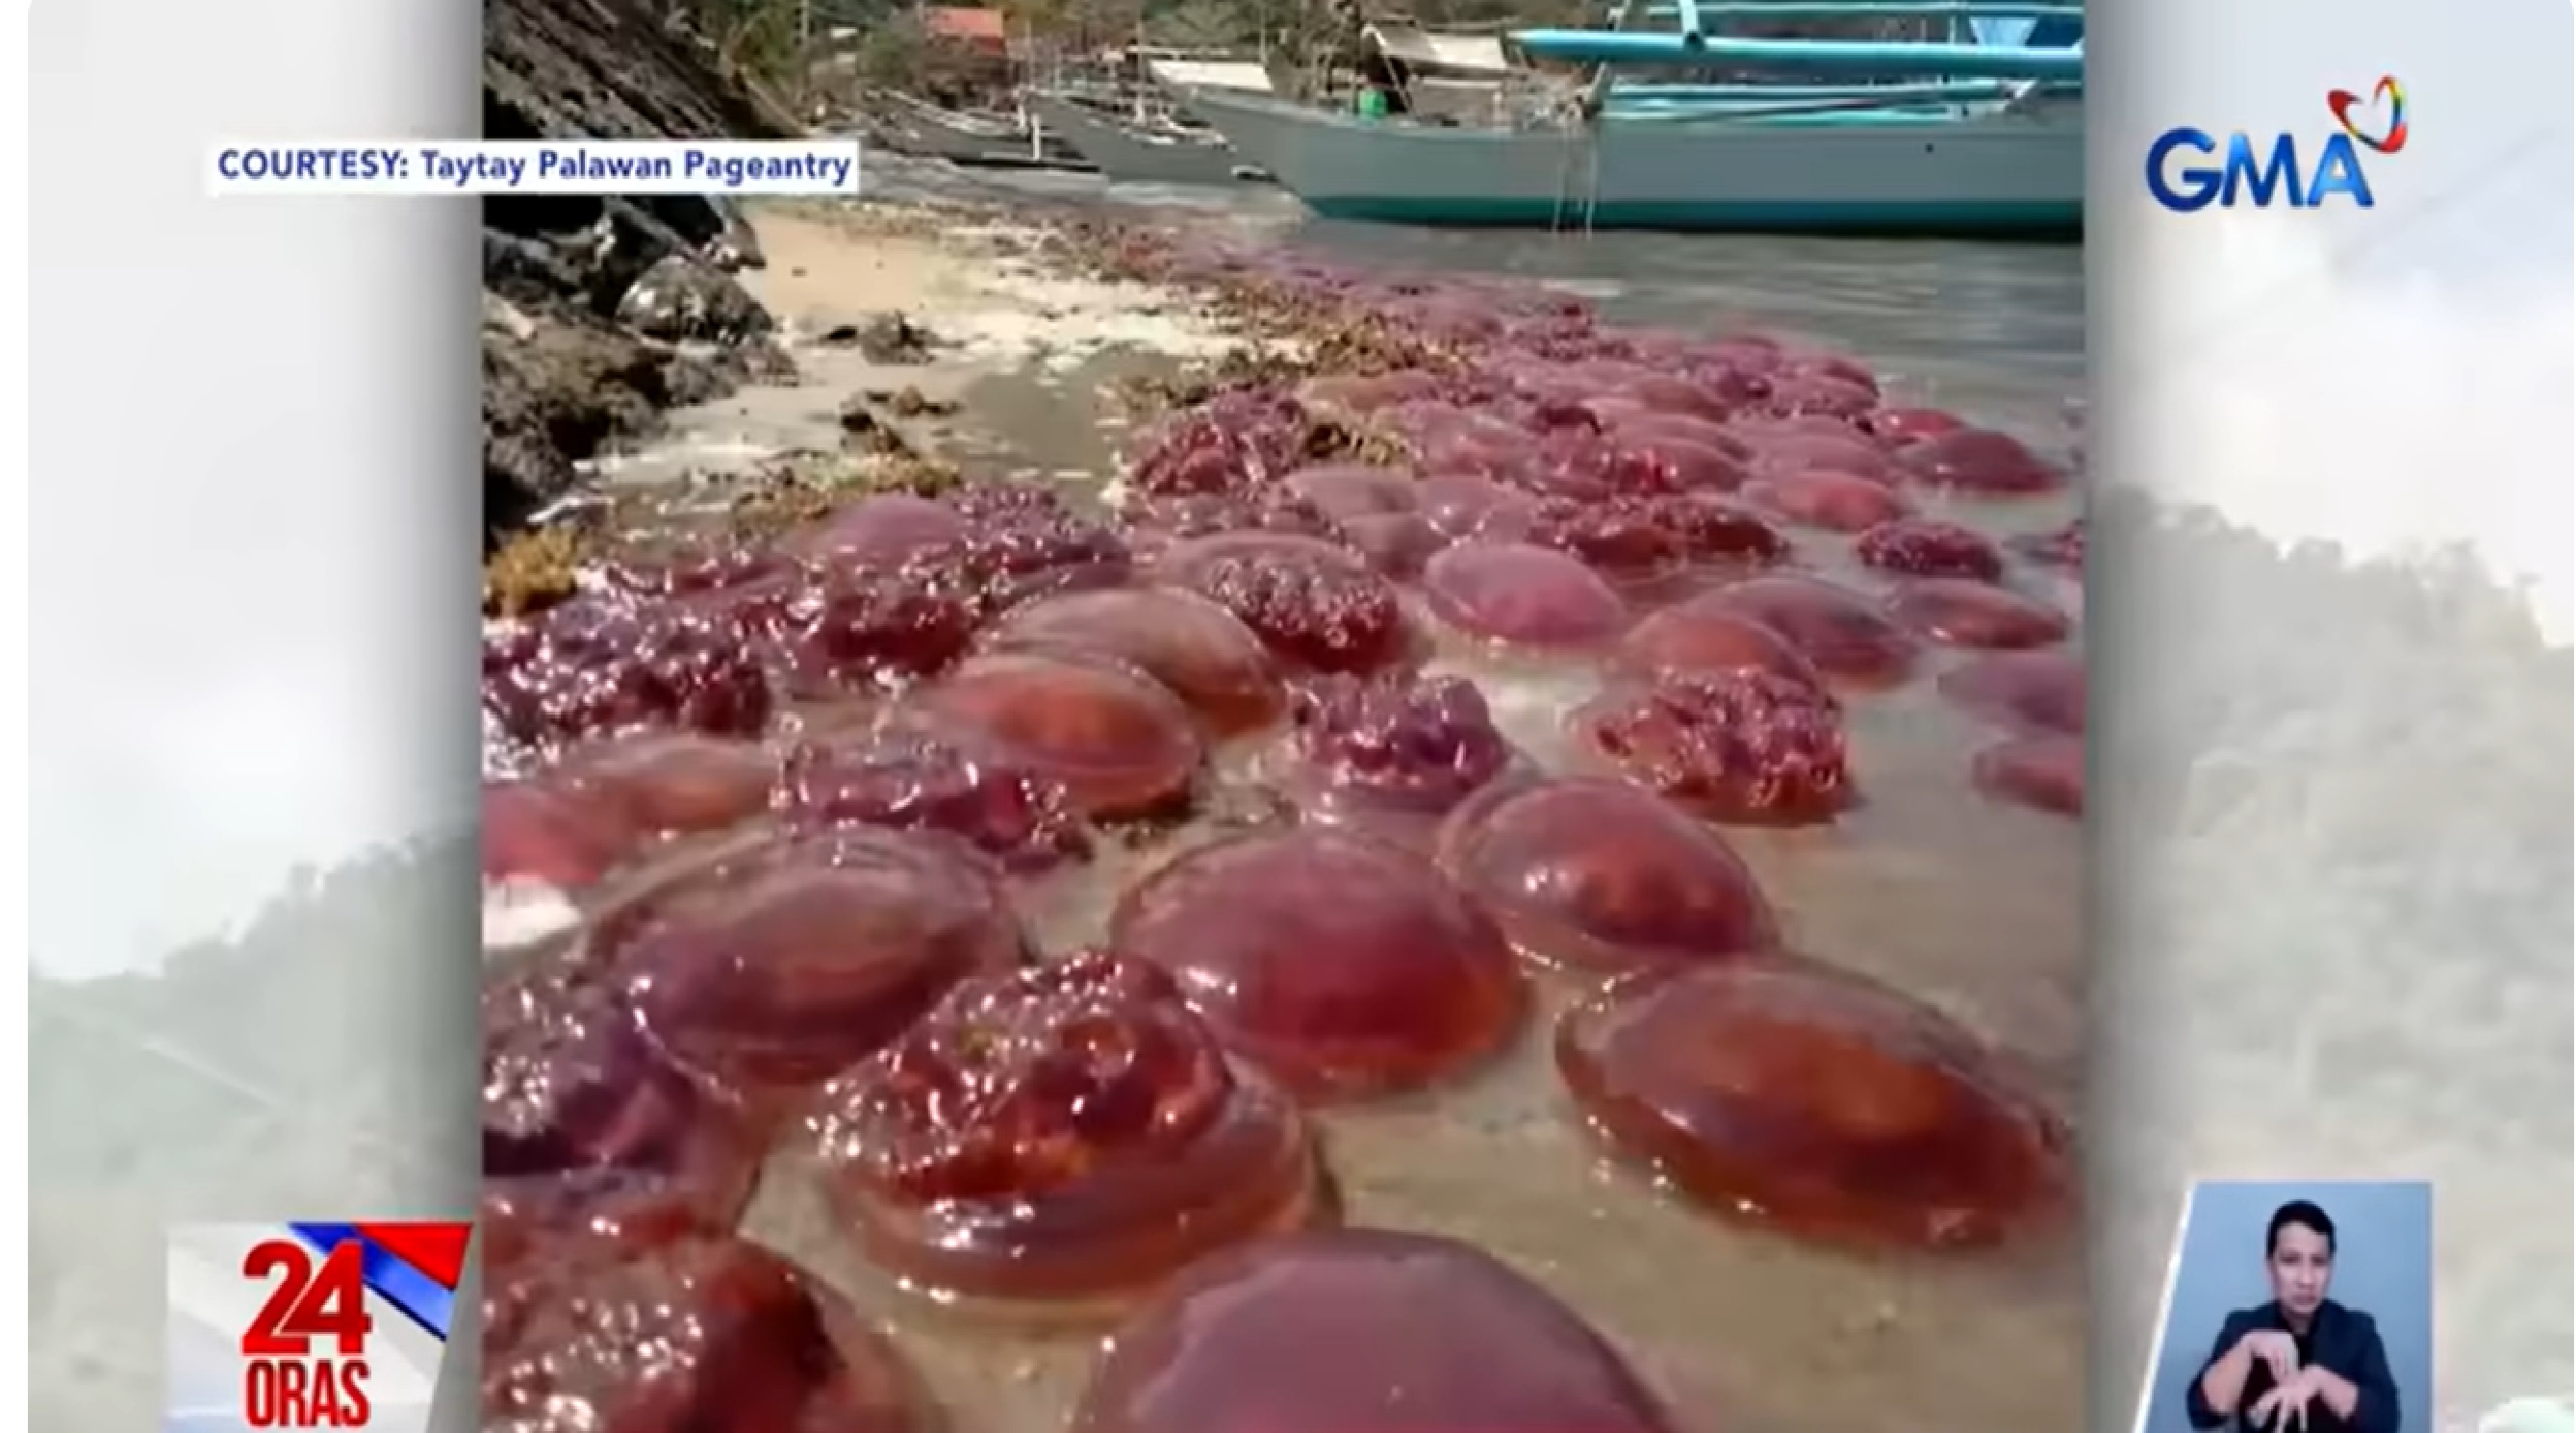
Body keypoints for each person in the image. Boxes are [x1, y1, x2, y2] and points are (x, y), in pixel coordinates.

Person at [2187, 1200, 2402, 1433]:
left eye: (2318, 1263)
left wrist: (2320, 1381)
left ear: (2331, 1268)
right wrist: (2248, 1347)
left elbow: (2387, 1422)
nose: (2306, 1280)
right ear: (2270, 1268)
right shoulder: (2242, 1326)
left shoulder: (2358, 1331)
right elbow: (2202, 1413)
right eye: (2291, 1261)